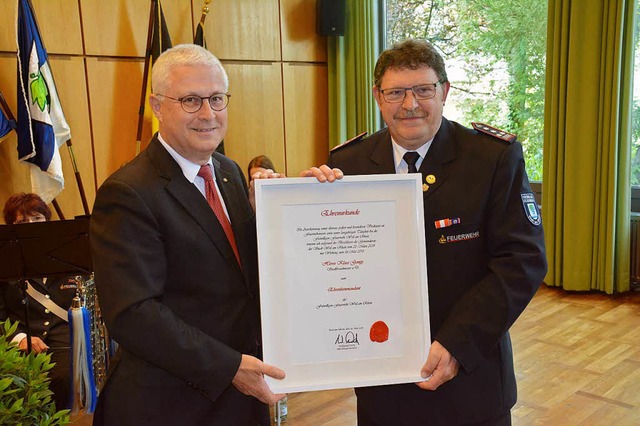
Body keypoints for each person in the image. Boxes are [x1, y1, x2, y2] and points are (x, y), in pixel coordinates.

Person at [303, 39, 547, 425]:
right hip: (382, 384)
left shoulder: (492, 158)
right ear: (378, 97)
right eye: (396, 92)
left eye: (423, 90)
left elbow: (522, 263)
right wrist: (303, 206)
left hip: (471, 380)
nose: (410, 104)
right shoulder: (346, 164)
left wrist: (457, 344)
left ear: (445, 92)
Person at [90, 44, 286, 425]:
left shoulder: (228, 173)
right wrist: (229, 366)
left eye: (216, 99)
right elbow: (133, 314)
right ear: (158, 107)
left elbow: (240, 282)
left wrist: (290, 214)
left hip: (240, 403)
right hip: (169, 405)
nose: (208, 114)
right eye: (191, 101)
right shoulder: (129, 192)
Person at [0, 192, 77, 410]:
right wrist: (20, 338)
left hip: (65, 339)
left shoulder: (70, 256)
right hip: (20, 339)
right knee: (18, 382)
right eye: (23, 221)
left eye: (37, 219)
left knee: (62, 377)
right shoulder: (4, 264)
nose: (31, 225)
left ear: (47, 221)